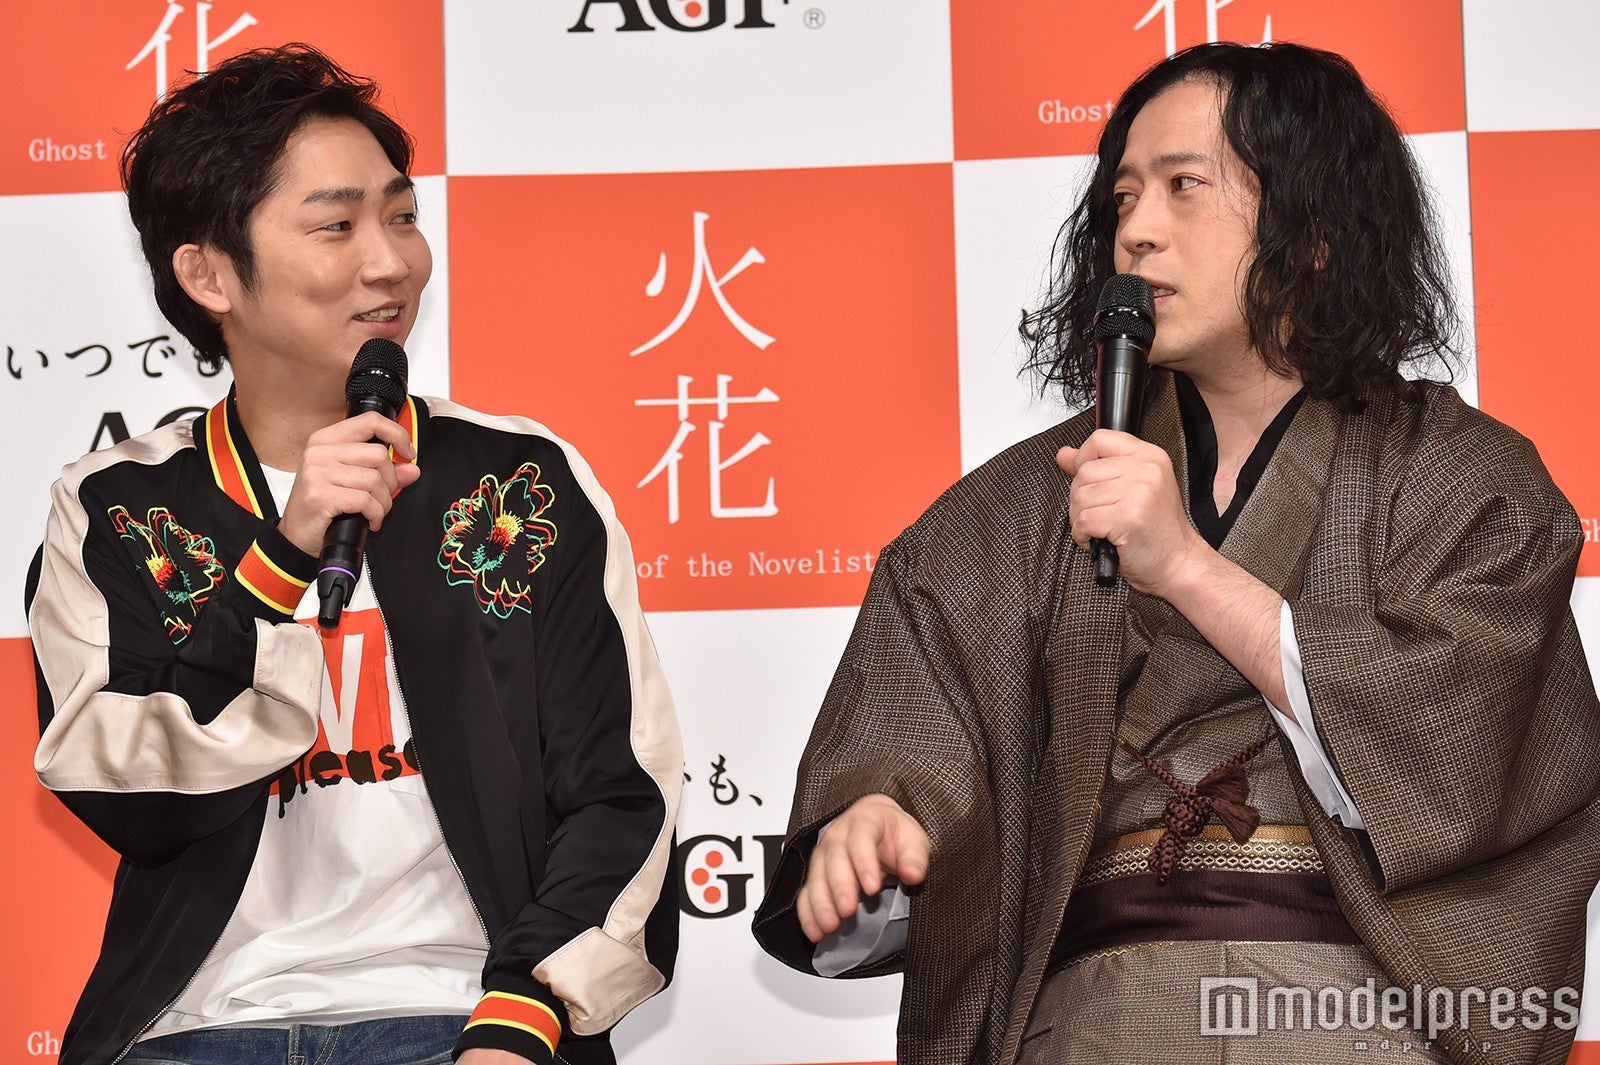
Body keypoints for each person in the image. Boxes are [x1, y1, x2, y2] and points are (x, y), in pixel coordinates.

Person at [752, 41, 1600, 1065]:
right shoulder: (1010, 513)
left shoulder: (1464, 477)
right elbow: (916, 729)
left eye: (1183, 187)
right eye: (1123, 197)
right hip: (1097, 1024)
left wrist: (1186, 564)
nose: (1137, 231)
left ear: (1315, 231)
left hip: (1354, 1018)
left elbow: (1461, 760)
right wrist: (879, 823)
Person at [27, 44, 681, 1065]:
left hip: (461, 1012)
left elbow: (621, 790)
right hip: (201, 1028)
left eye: (403, 216)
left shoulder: (515, 481)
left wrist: (522, 1019)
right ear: (207, 273)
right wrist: (281, 558)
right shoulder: (119, 507)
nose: (391, 262)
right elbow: (128, 798)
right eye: (337, 226)